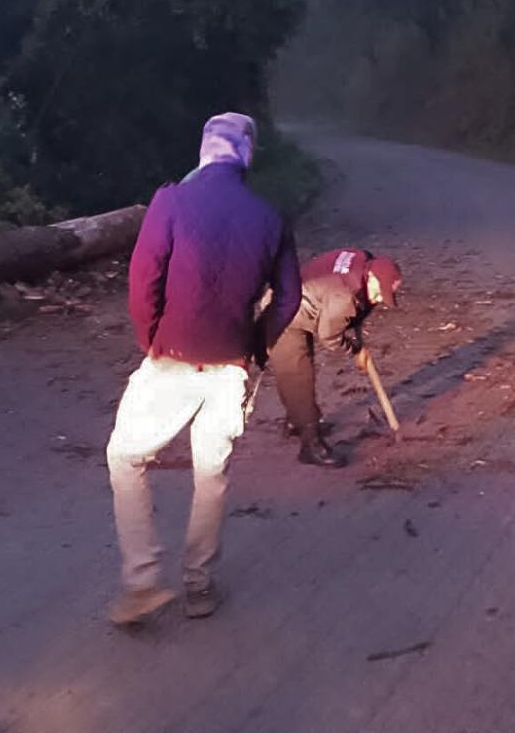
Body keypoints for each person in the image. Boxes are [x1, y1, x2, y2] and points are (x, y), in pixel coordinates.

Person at [105, 112, 301, 626]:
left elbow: (144, 276)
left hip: (171, 356)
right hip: (230, 365)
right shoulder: (270, 218)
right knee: (210, 474)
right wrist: (255, 345)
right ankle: (198, 586)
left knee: (125, 458)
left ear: (204, 150)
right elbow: (290, 298)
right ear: (247, 155)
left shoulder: (171, 201)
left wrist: (151, 336)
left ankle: (143, 580)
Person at [266, 247, 402, 467]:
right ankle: (311, 446)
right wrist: (356, 350)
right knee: (298, 378)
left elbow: (360, 304)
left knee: (298, 373)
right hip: (281, 315)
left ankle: (296, 422)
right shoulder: (344, 298)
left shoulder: (363, 259)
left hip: (301, 300)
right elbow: (329, 338)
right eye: (378, 292)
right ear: (372, 277)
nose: (379, 299)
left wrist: (360, 314)